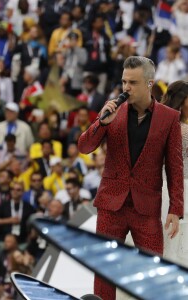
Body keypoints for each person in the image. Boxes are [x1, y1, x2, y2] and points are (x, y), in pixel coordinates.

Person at [78, 56, 184, 300]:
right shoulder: (111, 109)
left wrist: (176, 208)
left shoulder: (169, 118)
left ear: (149, 83)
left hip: (146, 206)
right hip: (110, 204)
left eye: (133, 82)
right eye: (124, 81)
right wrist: (101, 124)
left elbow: (175, 167)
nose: (126, 87)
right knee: (104, 271)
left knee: (153, 269)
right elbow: (84, 147)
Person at [161, 80, 188, 268]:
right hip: (181, 189)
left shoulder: (160, 123)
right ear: (183, 100)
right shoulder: (182, 129)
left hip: (163, 189)